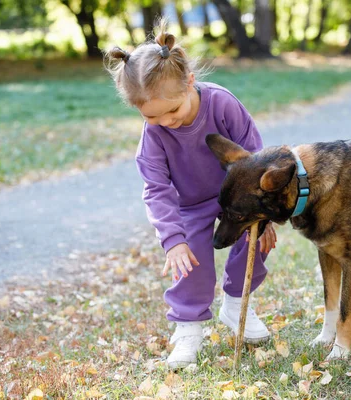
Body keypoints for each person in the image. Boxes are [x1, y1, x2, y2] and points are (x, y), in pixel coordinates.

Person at [104, 19, 277, 369]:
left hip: (236, 197)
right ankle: (188, 328)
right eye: (152, 116)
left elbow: (257, 158)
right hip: (190, 205)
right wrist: (173, 239)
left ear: (190, 84)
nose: (166, 121)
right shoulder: (153, 136)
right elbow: (156, 189)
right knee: (188, 260)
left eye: (173, 110)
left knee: (255, 242)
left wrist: (265, 215)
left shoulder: (222, 105)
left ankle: (236, 303)